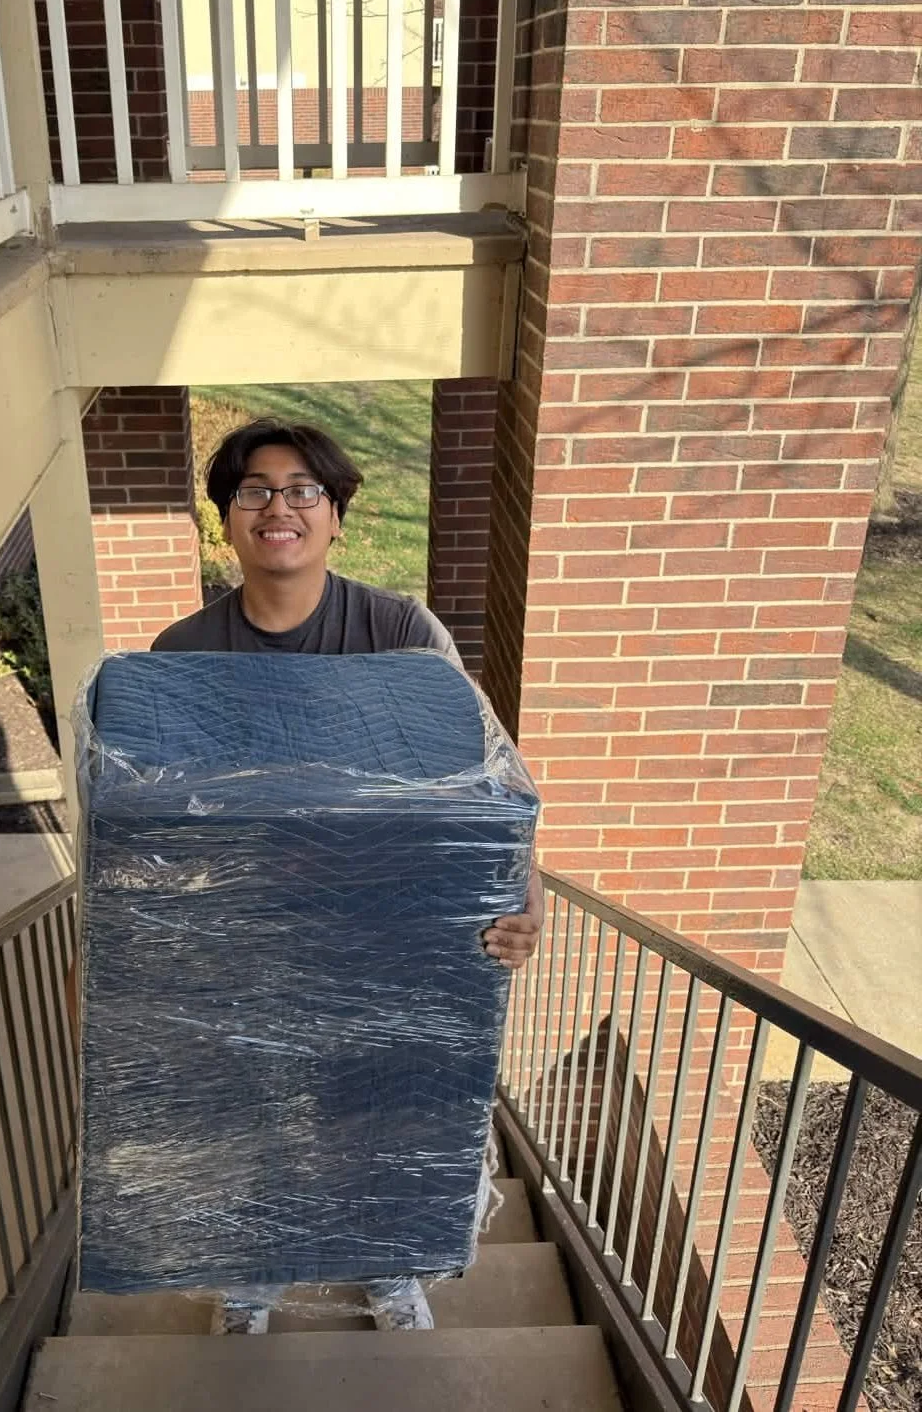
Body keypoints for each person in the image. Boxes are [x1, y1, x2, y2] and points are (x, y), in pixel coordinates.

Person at [151, 417, 545, 1335]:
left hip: (384, 929)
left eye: (302, 490)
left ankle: (386, 1268)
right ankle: (251, 1277)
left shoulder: (397, 632)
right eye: (253, 490)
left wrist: (522, 899)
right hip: (251, 931)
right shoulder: (184, 652)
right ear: (226, 518)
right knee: (254, 1115)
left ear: (334, 516)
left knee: (374, 1110)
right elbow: (156, 819)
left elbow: (484, 781)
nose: (277, 508)